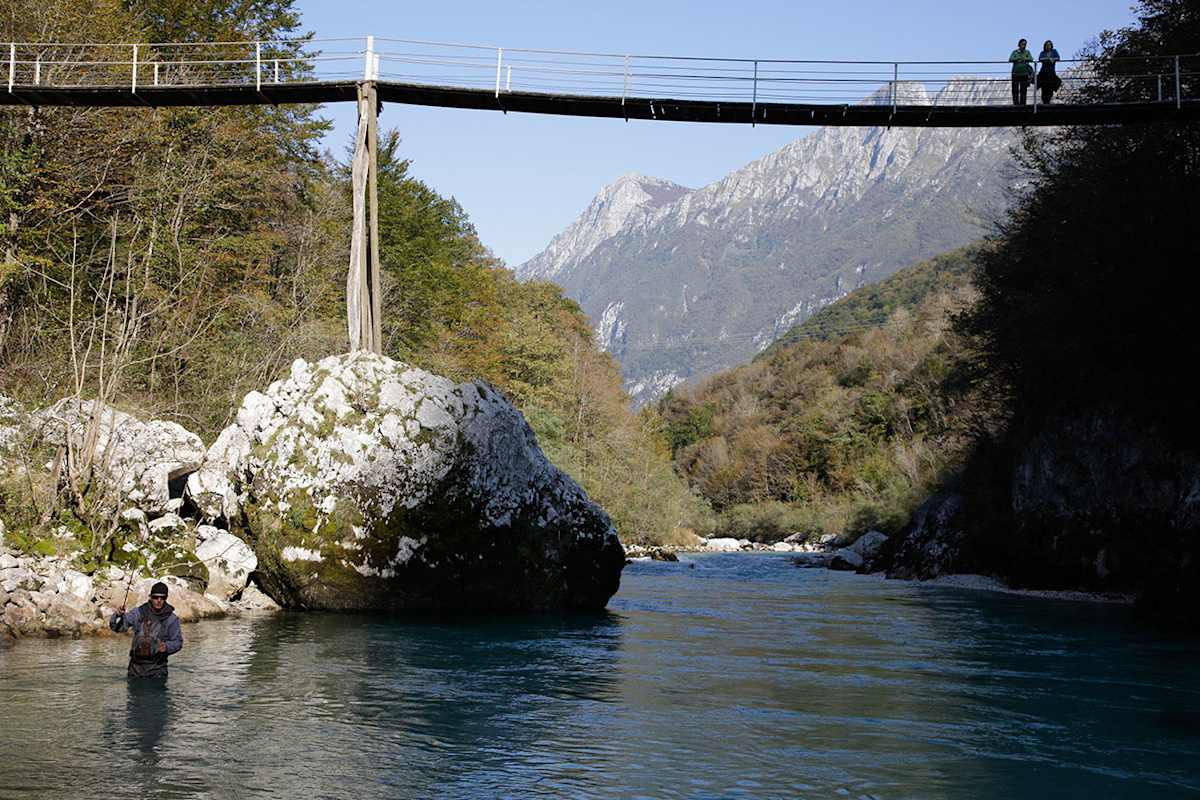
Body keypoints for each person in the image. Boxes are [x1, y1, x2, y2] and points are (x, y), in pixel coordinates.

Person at [110, 581, 183, 679]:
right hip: (135, 669)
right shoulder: (138, 612)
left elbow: (178, 642)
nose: (159, 600)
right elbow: (117, 628)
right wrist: (118, 615)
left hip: (158, 671)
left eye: (162, 598)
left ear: (166, 598)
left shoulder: (172, 619)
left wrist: (166, 647)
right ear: (150, 597)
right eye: (155, 597)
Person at [1009, 38, 1034, 105]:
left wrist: (1024, 59)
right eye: (1022, 44)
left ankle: (1023, 104)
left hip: (1024, 73)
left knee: (1023, 90)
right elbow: (1010, 59)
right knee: (1015, 90)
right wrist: (1017, 59)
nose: (1024, 45)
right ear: (1019, 44)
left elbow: (1031, 59)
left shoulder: (1027, 52)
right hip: (1015, 73)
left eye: (1025, 44)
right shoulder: (1015, 52)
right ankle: (1016, 104)